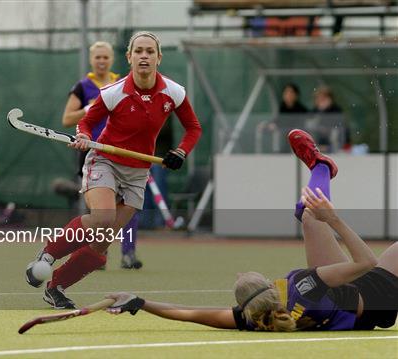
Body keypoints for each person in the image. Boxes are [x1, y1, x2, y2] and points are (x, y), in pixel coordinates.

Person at [105, 129, 397, 331]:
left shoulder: (254, 318)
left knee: (309, 217)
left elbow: (189, 314)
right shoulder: (301, 285)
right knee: (318, 218)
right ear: (269, 286)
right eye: (245, 277)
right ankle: (321, 171)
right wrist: (334, 220)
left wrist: (140, 302)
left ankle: (320, 167)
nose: (239, 273)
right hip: (377, 296)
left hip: (348, 302)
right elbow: (367, 263)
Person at [25, 31, 202, 309]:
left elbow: (193, 128)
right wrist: (83, 135)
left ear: (159, 57)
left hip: (138, 171)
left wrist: (181, 151)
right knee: (103, 218)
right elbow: (86, 123)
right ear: (129, 57)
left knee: (102, 243)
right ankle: (47, 255)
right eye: (139, 51)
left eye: (150, 51)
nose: (144, 56)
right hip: (105, 160)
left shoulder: (174, 92)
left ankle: (56, 286)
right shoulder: (113, 92)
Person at [60, 41, 142, 269]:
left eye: (105, 57)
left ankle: (128, 253)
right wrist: (88, 109)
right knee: (100, 210)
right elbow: (67, 119)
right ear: (91, 60)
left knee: (128, 206)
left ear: (112, 59)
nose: (102, 61)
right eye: (98, 58)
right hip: (92, 155)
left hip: (122, 152)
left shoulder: (123, 84)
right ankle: (98, 253)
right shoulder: (82, 87)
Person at [312, 85, 350, 152]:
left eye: (323, 98)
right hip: (319, 140)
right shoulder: (315, 111)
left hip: (333, 141)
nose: (320, 101)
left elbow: (341, 126)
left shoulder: (337, 110)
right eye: (318, 98)